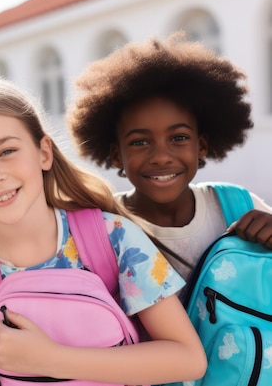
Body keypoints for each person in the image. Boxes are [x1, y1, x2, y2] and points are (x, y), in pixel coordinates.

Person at [0, 77, 207, 386]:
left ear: (44, 152)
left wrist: (51, 360)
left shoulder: (113, 237)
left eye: (7, 151)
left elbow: (188, 360)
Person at [66, 33, 272, 282]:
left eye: (179, 138)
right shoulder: (103, 227)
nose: (161, 157)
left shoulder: (237, 205)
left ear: (202, 145)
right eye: (139, 142)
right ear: (116, 155)